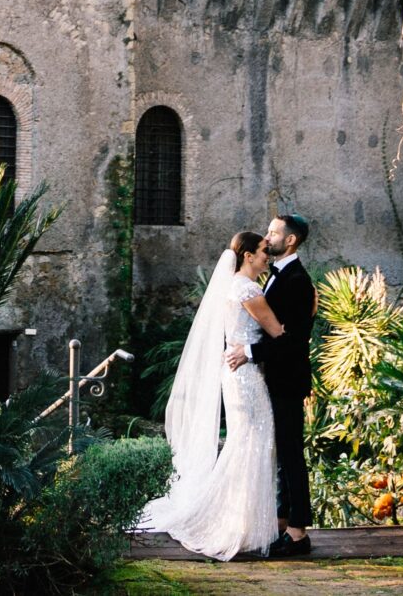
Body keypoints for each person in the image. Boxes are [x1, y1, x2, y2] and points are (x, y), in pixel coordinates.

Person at [134, 230, 284, 560]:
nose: (266, 257)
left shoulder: (235, 286)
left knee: (247, 443)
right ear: (247, 256)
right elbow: (277, 331)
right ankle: (236, 527)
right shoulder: (246, 288)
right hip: (245, 376)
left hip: (238, 373)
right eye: (262, 252)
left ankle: (243, 526)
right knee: (253, 442)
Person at [245, 213, 316, 558]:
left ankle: (299, 533)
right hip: (274, 377)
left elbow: (294, 340)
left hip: (287, 379)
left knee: (291, 454)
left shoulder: (298, 281)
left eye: (273, 232)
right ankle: (286, 525)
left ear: (290, 240)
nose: (267, 236)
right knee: (283, 455)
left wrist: (249, 352)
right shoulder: (278, 276)